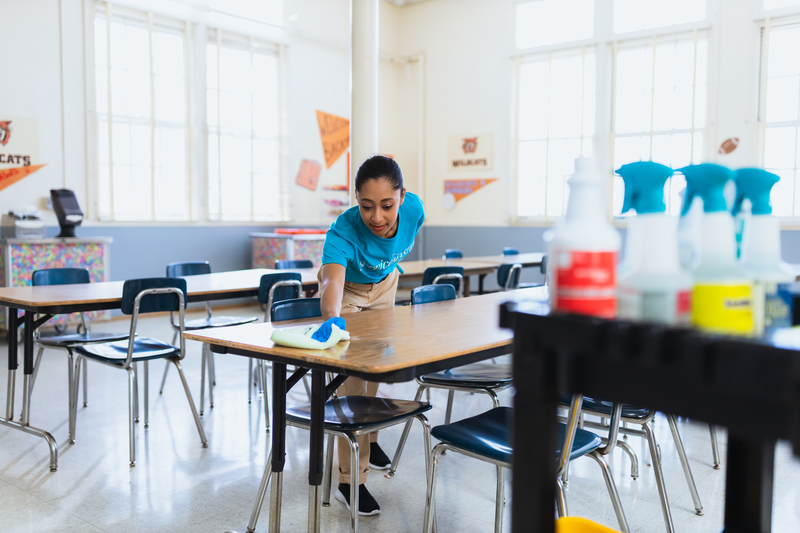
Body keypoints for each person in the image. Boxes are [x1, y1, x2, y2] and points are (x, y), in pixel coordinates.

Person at [318, 154, 424, 515]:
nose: (376, 217)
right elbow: (331, 280)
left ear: (403, 198)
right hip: (347, 293)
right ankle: (351, 480)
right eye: (366, 206)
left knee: (376, 364)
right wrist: (333, 319)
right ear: (356, 201)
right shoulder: (343, 231)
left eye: (386, 205)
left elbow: (391, 252)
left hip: (385, 286)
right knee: (352, 385)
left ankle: (371, 439)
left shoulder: (415, 212)